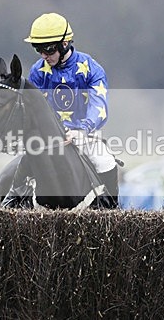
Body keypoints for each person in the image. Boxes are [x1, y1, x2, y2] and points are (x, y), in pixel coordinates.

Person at [23, 12, 119, 202]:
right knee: (23, 162)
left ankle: (111, 208)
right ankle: (11, 199)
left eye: (49, 49)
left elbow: (99, 106)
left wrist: (83, 129)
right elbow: (31, 107)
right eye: (38, 49)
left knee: (105, 160)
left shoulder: (92, 69)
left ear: (64, 44)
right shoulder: (37, 71)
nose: (44, 55)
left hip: (85, 136)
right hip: (48, 138)